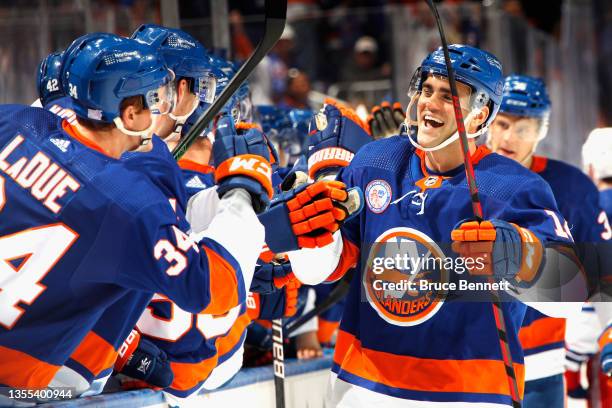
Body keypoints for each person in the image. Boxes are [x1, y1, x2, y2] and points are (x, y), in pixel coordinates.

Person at [286, 44, 585, 407]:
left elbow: (571, 294)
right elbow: (322, 271)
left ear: (480, 115)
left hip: (469, 395)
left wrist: (518, 255)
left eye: (448, 96)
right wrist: (306, 230)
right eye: (427, 90)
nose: (430, 102)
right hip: (363, 390)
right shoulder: (376, 161)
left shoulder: (514, 186)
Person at [0, 32, 272, 391]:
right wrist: (241, 192)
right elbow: (212, 288)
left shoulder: (15, 121)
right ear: (130, 113)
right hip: (14, 385)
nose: (164, 106)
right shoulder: (128, 202)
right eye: (156, 98)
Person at [487, 74, 611, 407]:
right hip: (472, 361)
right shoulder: (458, 178)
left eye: (523, 127)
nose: (509, 136)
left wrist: (609, 329)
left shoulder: (572, 187)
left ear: (541, 131)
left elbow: (603, 269)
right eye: (501, 124)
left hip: (543, 362)